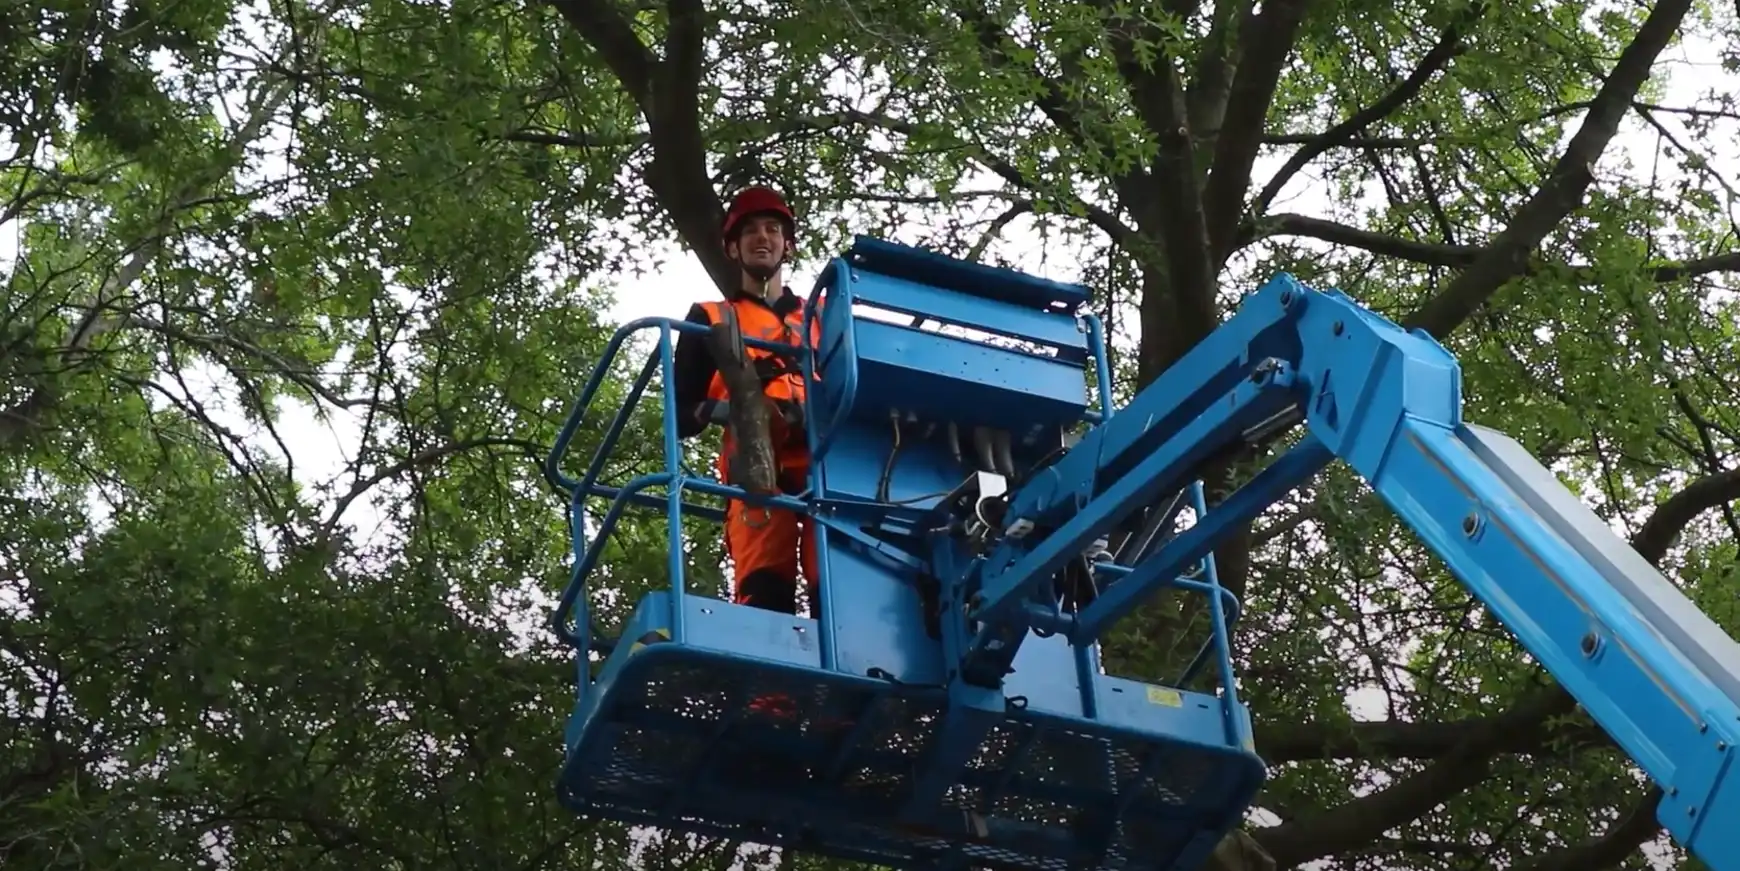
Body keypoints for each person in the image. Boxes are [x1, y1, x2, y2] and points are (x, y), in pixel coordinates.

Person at [672, 184, 821, 619]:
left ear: (787, 245)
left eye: (773, 229)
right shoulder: (710, 318)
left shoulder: (821, 316)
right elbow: (681, 415)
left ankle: (855, 685)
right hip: (756, 471)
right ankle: (770, 691)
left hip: (826, 467)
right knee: (764, 590)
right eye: (750, 231)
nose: (762, 238)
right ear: (732, 248)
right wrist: (727, 410)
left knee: (835, 585)